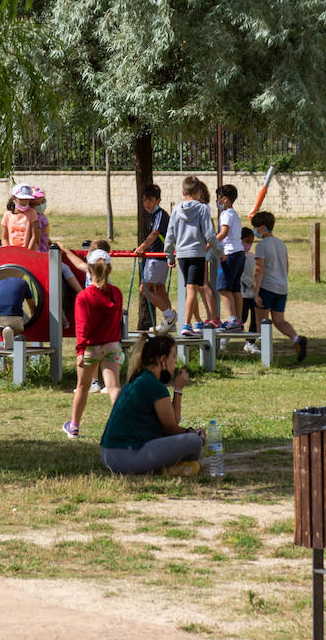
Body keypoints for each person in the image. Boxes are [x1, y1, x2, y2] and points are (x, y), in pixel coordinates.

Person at [99, 333, 205, 475]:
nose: (176, 362)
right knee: (194, 441)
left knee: (186, 439)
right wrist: (193, 432)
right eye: (173, 356)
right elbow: (171, 427)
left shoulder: (139, 378)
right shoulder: (154, 385)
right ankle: (169, 468)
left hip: (110, 456)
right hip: (126, 458)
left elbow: (170, 424)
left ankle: (171, 466)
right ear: (162, 359)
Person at [63, 249, 123, 438]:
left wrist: (80, 350)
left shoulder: (83, 297)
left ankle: (74, 426)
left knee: (83, 387)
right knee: (114, 388)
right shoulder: (116, 294)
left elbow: (82, 327)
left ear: (88, 270)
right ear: (110, 270)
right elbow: (118, 318)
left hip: (90, 347)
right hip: (112, 345)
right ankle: (123, 425)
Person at [251, 211, 306, 363]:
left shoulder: (262, 246)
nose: (255, 230)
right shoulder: (281, 244)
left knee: (262, 323)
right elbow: (286, 265)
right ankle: (296, 339)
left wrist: (255, 293)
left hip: (266, 287)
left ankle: (264, 354)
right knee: (279, 320)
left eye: (256, 227)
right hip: (281, 287)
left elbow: (258, 270)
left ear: (263, 227)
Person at [165, 175, 216, 336]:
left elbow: (169, 235)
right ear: (200, 192)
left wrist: (169, 255)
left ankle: (198, 321)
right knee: (193, 289)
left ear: (182, 192)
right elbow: (210, 234)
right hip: (197, 254)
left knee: (190, 288)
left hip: (182, 255)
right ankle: (186, 324)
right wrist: (219, 251)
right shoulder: (202, 209)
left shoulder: (176, 210)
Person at [133, 184, 177, 334]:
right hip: (159, 258)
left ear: (158, 200)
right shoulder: (153, 215)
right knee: (159, 289)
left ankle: (169, 316)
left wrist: (142, 247)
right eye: (144, 200)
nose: (146, 203)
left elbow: (155, 233)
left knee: (144, 289)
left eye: (150, 200)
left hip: (157, 257)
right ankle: (170, 321)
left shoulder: (159, 215)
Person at [214, 184, 245, 332]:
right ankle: (239, 320)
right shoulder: (234, 214)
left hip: (230, 254)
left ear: (225, 199)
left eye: (218, 198)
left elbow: (224, 232)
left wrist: (210, 244)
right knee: (235, 288)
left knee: (224, 288)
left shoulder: (225, 214)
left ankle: (232, 319)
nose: (217, 201)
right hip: (239, 253)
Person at [0, 273, 38, 350]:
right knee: (19, 328)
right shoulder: (24, 283)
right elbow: (31, 305)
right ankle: (11, 332)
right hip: (13, 316)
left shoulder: (1, 283)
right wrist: (33, 318)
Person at [0, 183, 40, 250]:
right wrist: (8, 251)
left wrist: (27, 252)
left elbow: (34, 236)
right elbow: (4, 238)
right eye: (21, 199)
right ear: (14, 199)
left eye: (27, 199)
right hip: (12, 254)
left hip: (29, 253)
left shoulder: (32, 213)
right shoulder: (7, 215)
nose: (24, 202)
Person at [239, 227, 260, 353]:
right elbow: (240, 274)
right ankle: (224, 339)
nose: (249, 244)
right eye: (246, 241)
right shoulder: (238, 256)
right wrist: (250, 282)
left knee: (255, 319)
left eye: (251, 242)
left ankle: (250, 342)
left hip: (254, 293)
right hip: (243, 293)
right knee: (242, 317)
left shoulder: (252, 256)